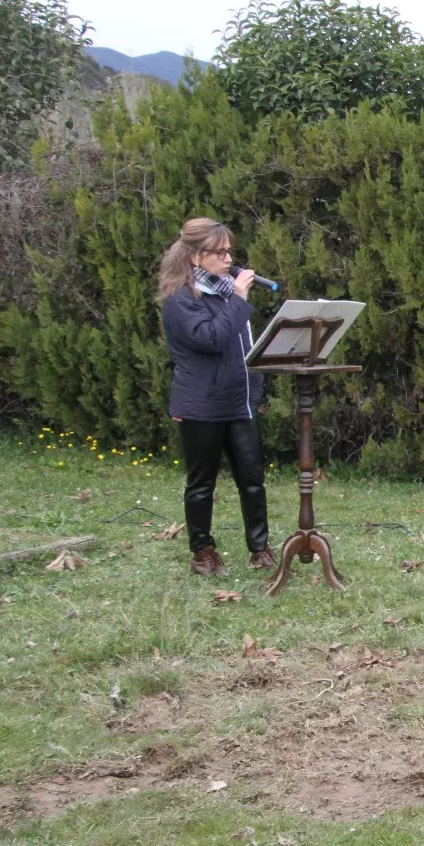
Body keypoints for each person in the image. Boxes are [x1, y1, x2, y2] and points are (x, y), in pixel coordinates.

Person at [157, 218, 273, 577]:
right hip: (202, 405)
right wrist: (238, 299)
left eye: (229, 251)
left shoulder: (225, 292)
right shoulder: (180, 300)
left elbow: (243, 349)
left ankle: (260, 548)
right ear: (194, 257)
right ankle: (203, 552)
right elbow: (211, 339)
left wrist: (256, 391)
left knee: (252, 479)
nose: (228, 259)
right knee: (202, 482)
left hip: (240, 403)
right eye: (219, 252)